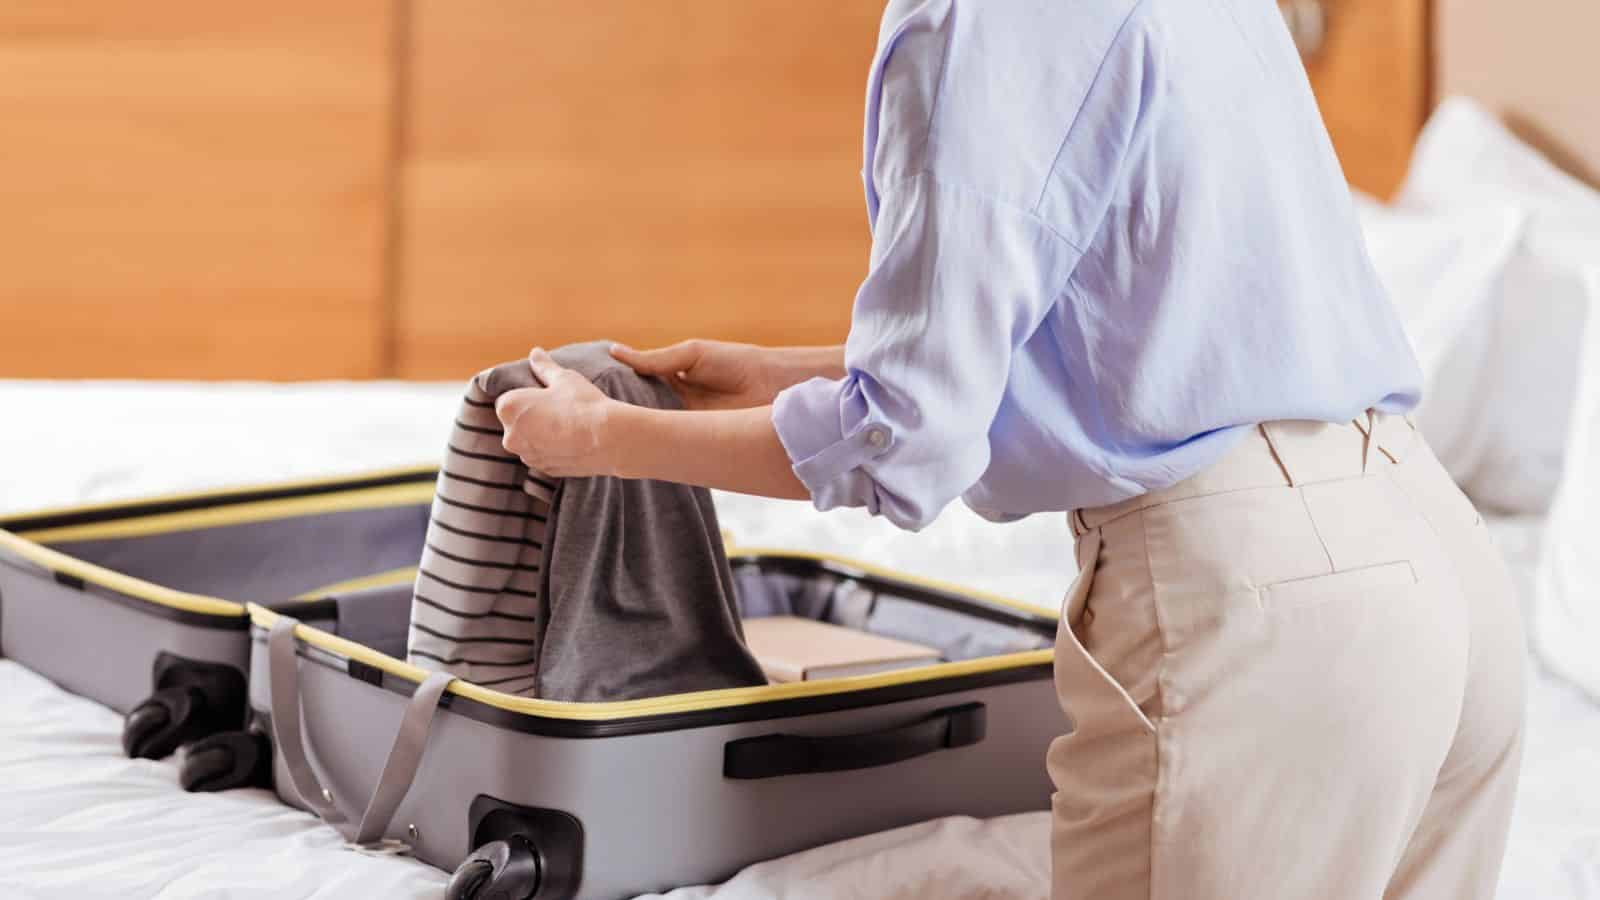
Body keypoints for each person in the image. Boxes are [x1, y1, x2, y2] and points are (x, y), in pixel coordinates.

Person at [493, 0, 1526, 897]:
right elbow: (1147, 321)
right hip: (1431, 557)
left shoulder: (969, 22)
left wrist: (605, 439)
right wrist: (789, 374)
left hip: (1261, 602)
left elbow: (903, 446)